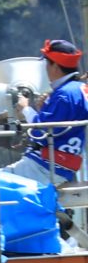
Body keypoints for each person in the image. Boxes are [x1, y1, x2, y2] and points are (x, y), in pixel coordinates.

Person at [22, 37, 88, 184]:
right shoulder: (79, 89)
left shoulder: (63, 94)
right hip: (64, 165)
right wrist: (44, 109)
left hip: (45, 167)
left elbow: (40, 133)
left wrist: (25, 108)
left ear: (55, 67)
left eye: (46, 63)